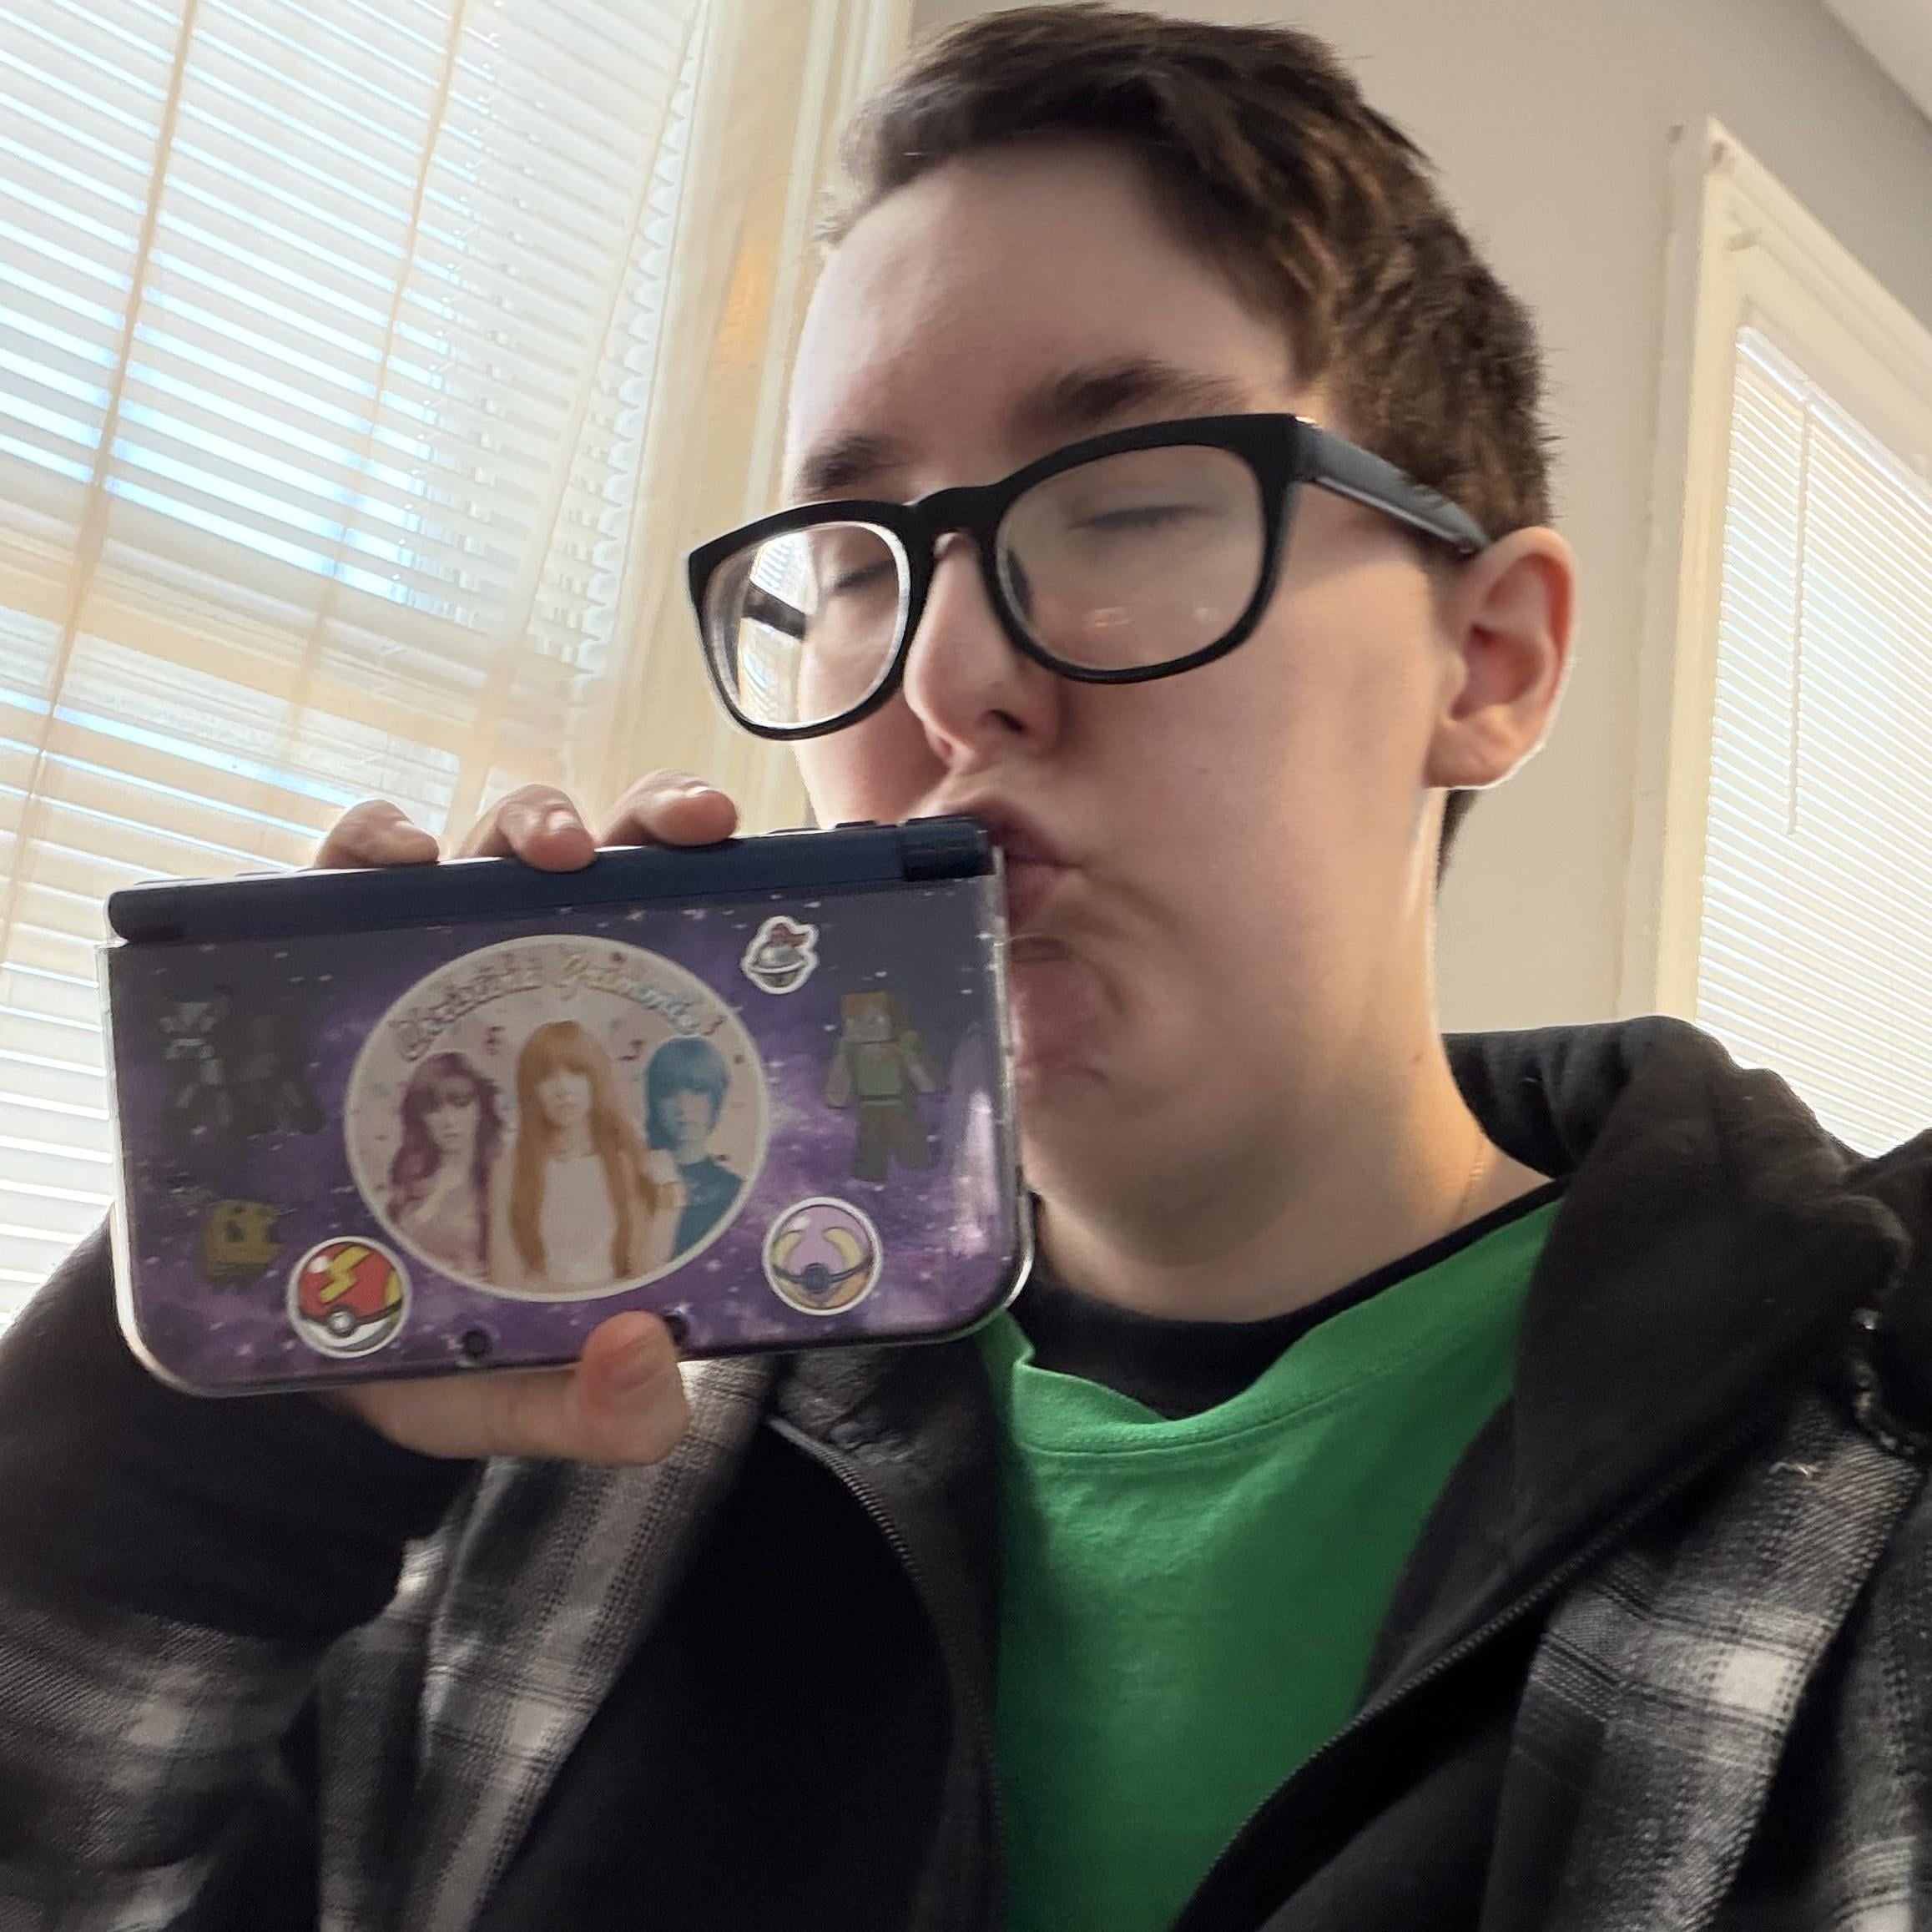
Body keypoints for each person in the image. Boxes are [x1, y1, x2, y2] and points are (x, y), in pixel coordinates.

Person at [2, 8, 1928, 1931]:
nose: (939, 676)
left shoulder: (1855, 1453)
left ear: (1485, 660)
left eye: (1129, 501)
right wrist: (233, 1441)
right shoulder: (580, 1434)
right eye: (856, 561)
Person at [492, 1021, 684, 1293]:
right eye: (546, 1077)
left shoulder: (626, 1160)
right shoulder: (510, 1168)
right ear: (531, 1089)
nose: (563, 1089)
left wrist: (670, 1197)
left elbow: (645, 1270)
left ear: (595, 1079)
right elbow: (505, 1281)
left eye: (576, 1073)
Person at [385, 1051, 502, 1277]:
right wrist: (438, 1196)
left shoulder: (503, 1176)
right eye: (433, 1109)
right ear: (420, 1117)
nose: (449, 1121)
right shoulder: (410, 1179)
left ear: (480, 1108)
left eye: (461, 1104)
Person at [642, 1035, 744, 1251]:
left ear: (715, 1099)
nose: (683, 1108)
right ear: (654, 1102)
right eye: (669, 1094)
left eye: (697, 1092)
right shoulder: (629, 1182)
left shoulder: (733, 1192)